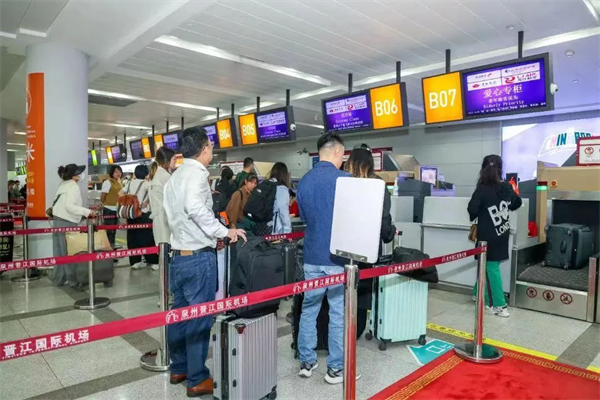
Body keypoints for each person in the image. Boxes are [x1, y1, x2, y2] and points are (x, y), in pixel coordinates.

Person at [163, 126, 246, 397]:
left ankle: (179, 367)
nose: (212, 149)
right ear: (204, 149)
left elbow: (172, 212)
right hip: (198, 258)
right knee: (199, 319)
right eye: (210, 145)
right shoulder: (197, 173)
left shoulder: (174, 175)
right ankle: (197, 378)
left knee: (179, 316)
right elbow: (196, 208)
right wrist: (224, 231)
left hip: (178, 255)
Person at [297, 133, 352, 385]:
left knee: (309, 309)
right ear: (338, 151)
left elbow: (305, 218)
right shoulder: (345, 180)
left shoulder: (304, 181)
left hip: (311, 255)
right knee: (337, 313)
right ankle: (335, 369)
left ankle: (307, 361)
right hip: (337, 258)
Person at [345, 147, 396, 338]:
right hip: (367, 246)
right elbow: (384, 219)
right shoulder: (378, 185)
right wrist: (389, 234)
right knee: (363, 288)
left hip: (343, 245)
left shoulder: (344, 183)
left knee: (343, 286)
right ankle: (356, 330)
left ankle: (341, 328)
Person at [468, 154, 522, 318]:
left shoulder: (482, 188)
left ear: (483, 169)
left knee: (490, 267)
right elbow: (517, 203)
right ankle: (478, 294)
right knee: (487, 265)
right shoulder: (506, 187)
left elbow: (472, 209)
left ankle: (498, 305)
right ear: (500, 169)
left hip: (486, 235)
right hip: (502, 232)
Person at [51, 164, 96, 289]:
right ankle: (74, 281)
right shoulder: (73, 186)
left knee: (59, 252)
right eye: (79, 172)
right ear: (74, 175)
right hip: (67, 221)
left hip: (58, 220)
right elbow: (69, 206)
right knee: (70, 252)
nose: (81, 174)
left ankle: (59, 279)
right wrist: (87, 212)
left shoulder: (63, 184)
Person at [120, 165, 158, 270]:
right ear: (146, 173)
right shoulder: (146, 184)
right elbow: (152, 196)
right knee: (147, 238)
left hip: (131, 214)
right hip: (143, 213)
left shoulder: (129, 183)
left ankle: (135, 262)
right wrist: (145, 202)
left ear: (135, 174)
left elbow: (120, 193)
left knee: (132, 238)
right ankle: (153, 261)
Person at [149, 147, 176, 247]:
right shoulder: (165, 176)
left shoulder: (157, 174)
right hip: (165, 217)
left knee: (161, 246)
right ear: (167, 160)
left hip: (158, 217)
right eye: (174, 159)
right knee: (166, 246)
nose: (175, 161)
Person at [100, 165, 123, 249]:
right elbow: (103, 196)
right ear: (112, 173)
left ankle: (112, 247)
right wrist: (106, 203)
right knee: (109, 231)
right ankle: (108, 248)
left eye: (119, 172)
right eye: (116, 172)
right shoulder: (107, 182)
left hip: (117, 209)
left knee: (114, 230)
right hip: (109, 209)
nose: (118, 174)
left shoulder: (119, 183)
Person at [270, 162, 292, 234]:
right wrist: (287, 231)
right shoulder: (282, 189)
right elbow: (284, 213)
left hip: (262, 227)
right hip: (275, 230)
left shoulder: (266, 184)